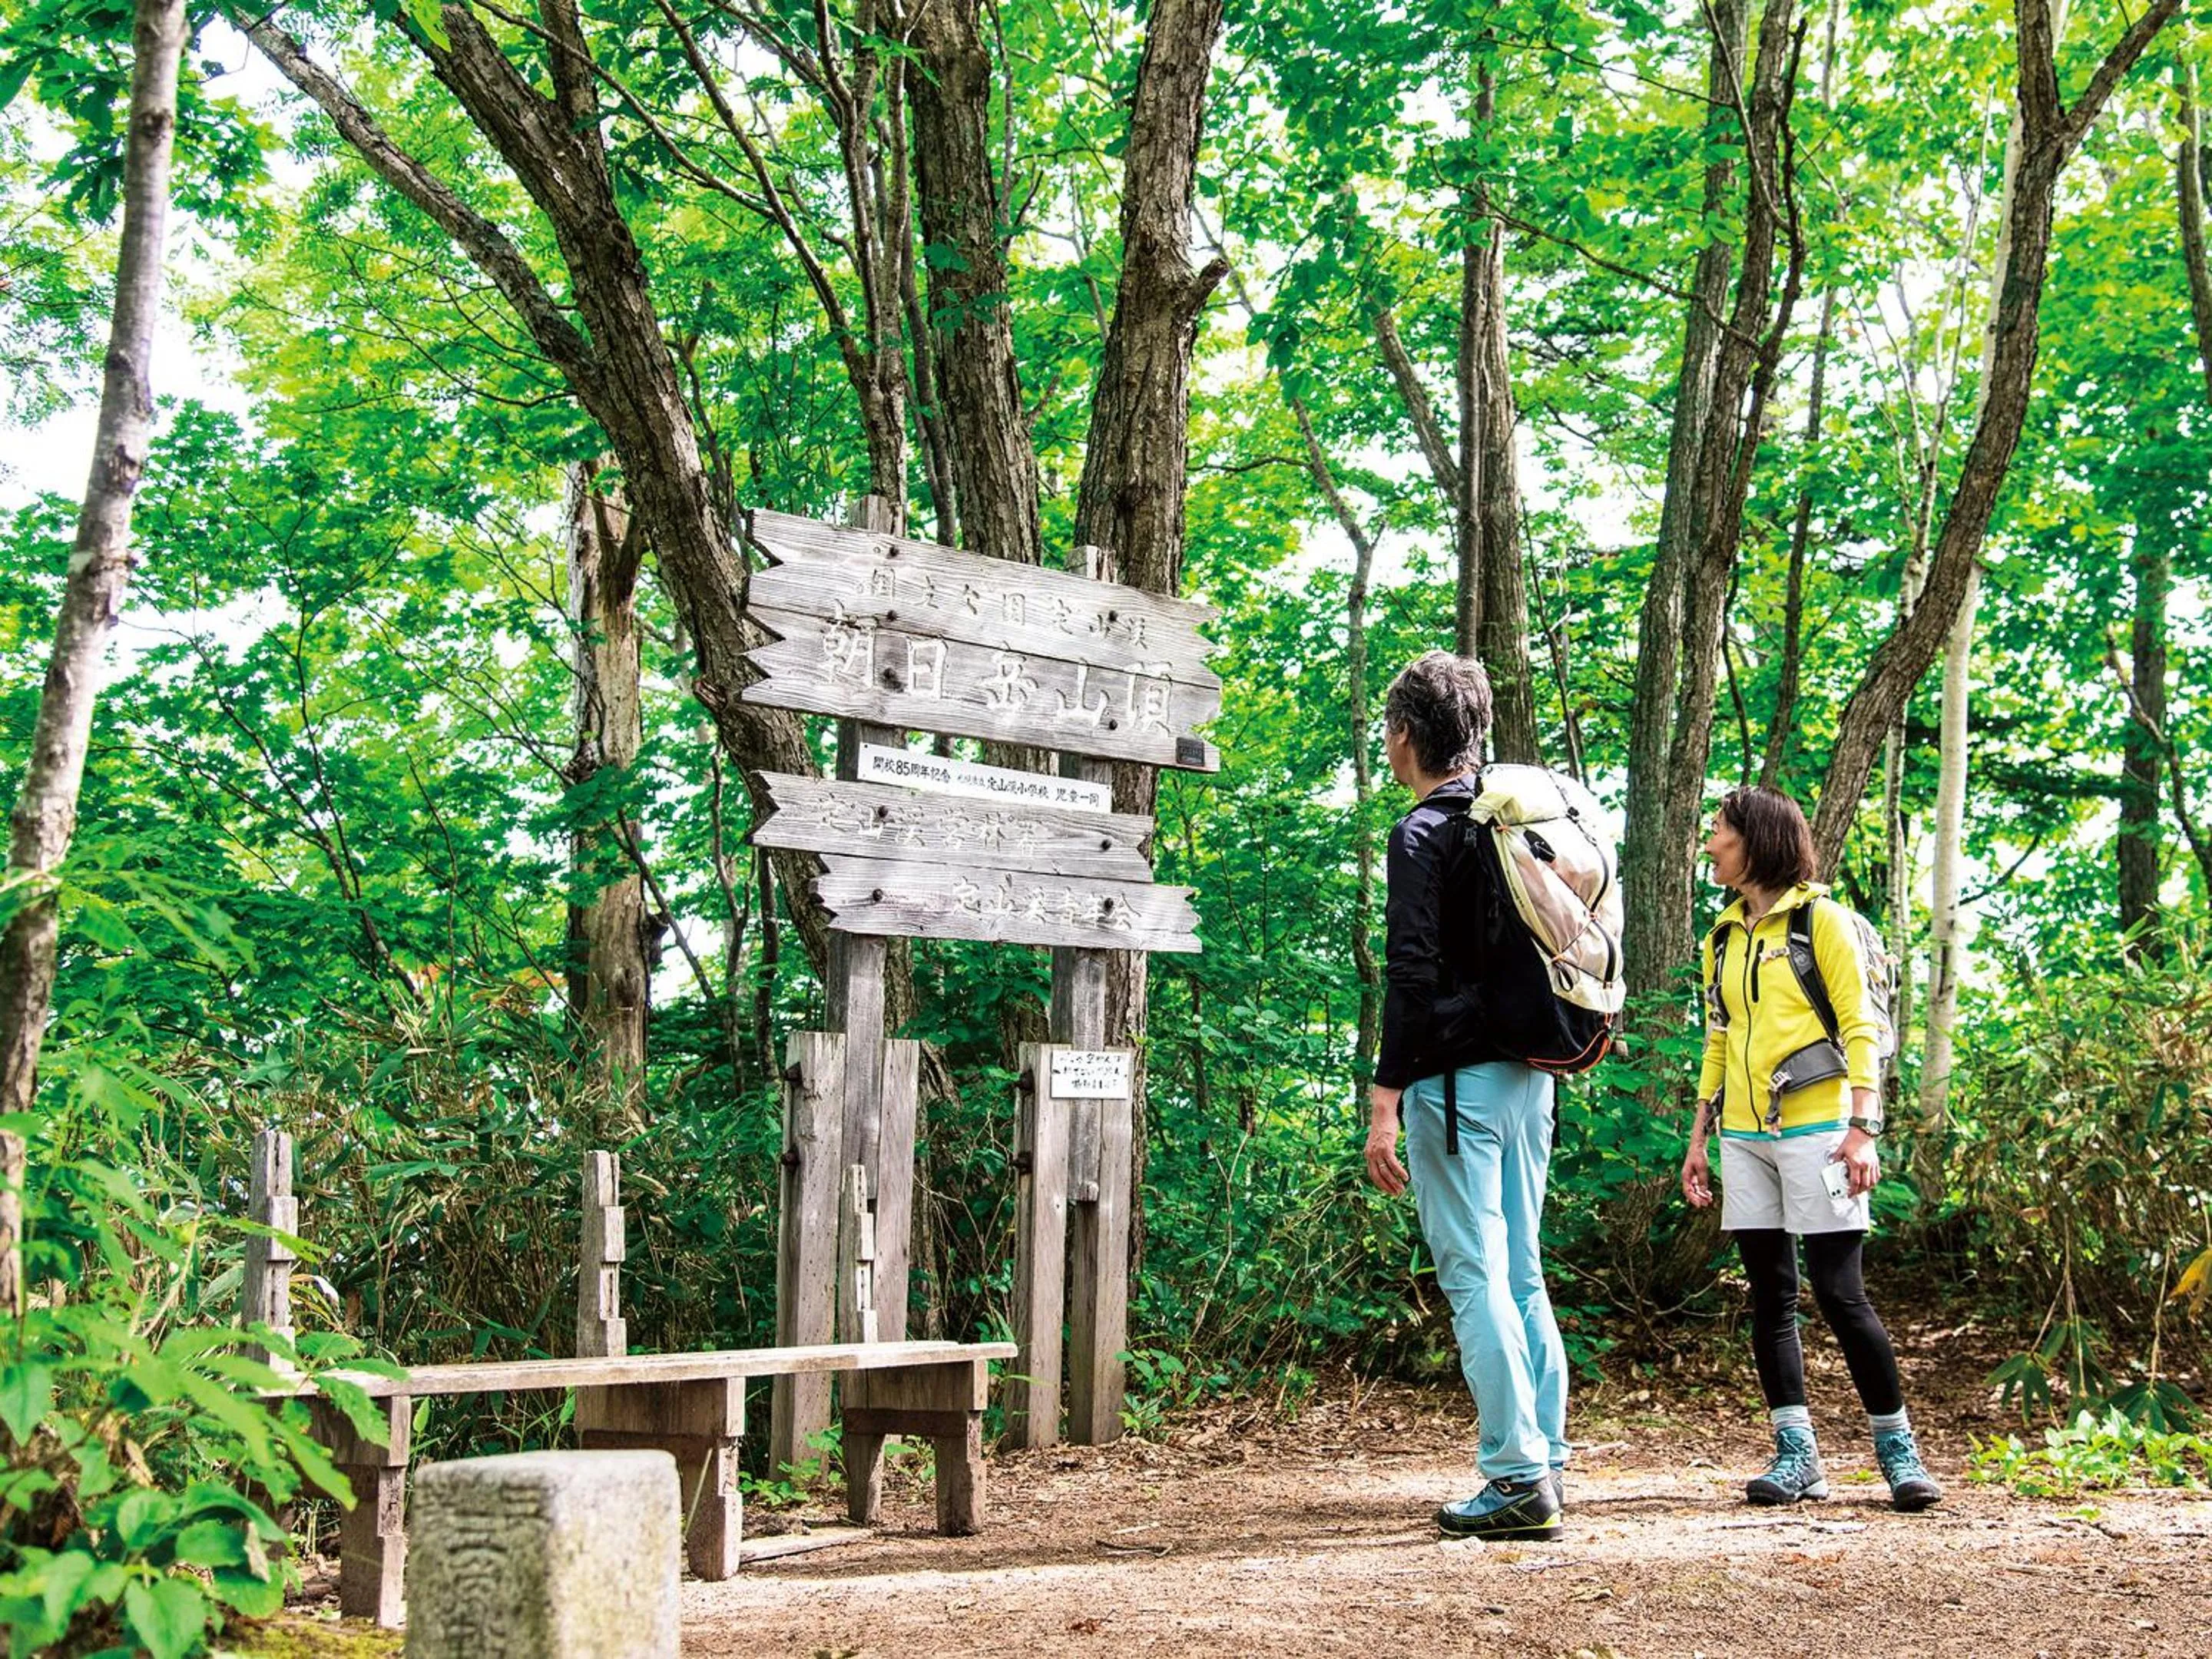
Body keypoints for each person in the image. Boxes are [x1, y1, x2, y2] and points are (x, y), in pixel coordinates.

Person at [1681, 785, 1942, 1512]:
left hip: (1822, 1129)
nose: (1709, 843)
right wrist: (1700, 1136)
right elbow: (1721, 1036)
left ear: (1756, 839)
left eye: (1720, 832)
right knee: (1770, 1297)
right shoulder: (1723, 936)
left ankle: (1899, 1455)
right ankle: (1798, 1457)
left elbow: (1860, 1026)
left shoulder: (1818, 920)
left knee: (1840, 1293)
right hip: (1742, 1134)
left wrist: (1864, 1128)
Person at [1363, 651, 1568, 1541]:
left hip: (1455, 1085)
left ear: (1407, 735)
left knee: (1473, 1271)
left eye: (1388, 729)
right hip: (1532, 1074)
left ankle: (1517, 1476)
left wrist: (1384, 1099)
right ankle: (1546, 1454)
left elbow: (1410, 974)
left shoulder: (1421, 834)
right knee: (1521, 1267)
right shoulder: (1508, 822)